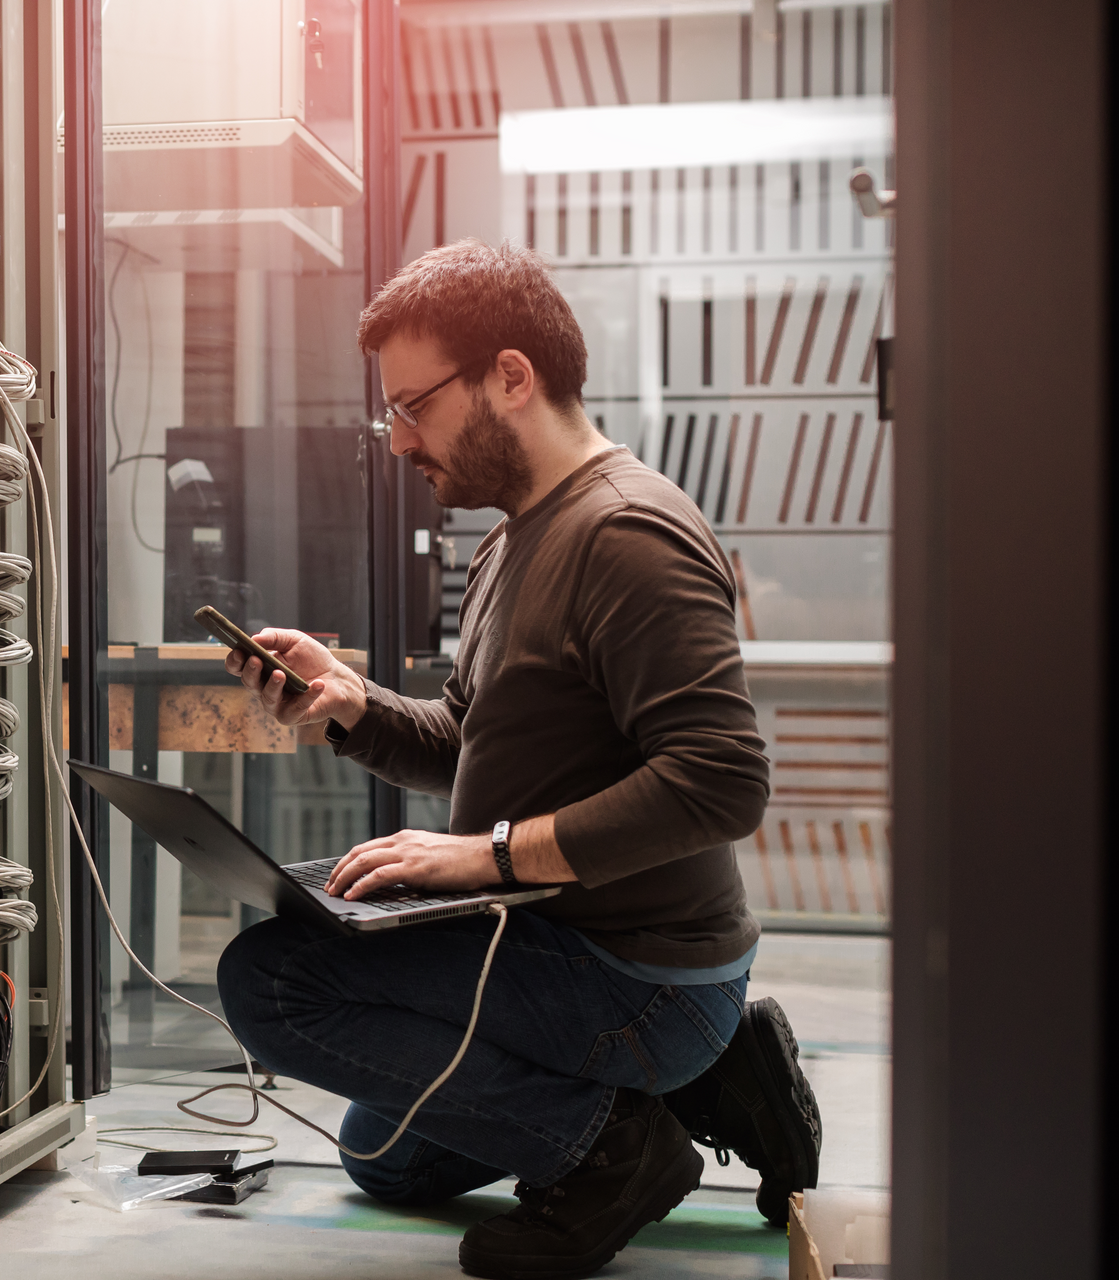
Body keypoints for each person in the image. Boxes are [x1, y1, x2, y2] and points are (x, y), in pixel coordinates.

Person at [214, 241, 821, 1279]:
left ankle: (620, 1146)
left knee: (274, 982)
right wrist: (351, 707)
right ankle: (707, 1083)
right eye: (389, 413)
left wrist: (486, 858)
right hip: (557, 937)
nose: (400, 440)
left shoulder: (626, 531)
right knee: (381, 1156)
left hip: (637, 972)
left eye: (415, 405)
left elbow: (722, 778)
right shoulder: (513, 536)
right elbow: (470, 736)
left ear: (510, 373)